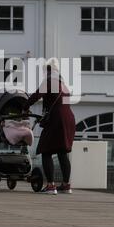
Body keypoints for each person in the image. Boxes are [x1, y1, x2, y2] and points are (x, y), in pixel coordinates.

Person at [24, 58, 76, 195]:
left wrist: (24, 106)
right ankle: (66, 185)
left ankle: (51, 186)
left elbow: (35, 96)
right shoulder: (63, 84)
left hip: (56, 120)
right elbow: (63, 103)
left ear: (48, 70)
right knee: (62, 152)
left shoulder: (49, 82)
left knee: (45, 151)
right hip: (69, 119)